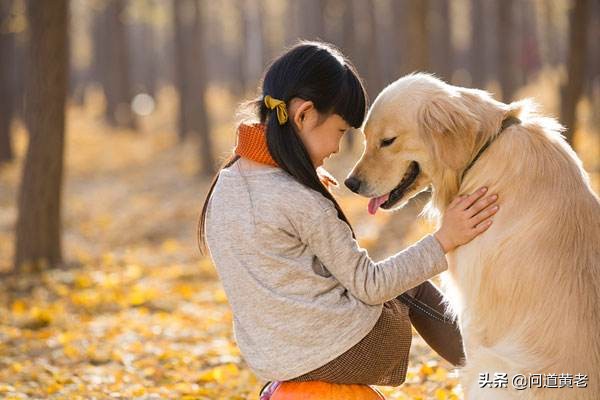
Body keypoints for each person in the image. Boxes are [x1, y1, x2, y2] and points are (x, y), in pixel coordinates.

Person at [197, 41, 499, 395]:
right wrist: (444, 238)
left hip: (270, 358)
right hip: (340, 351)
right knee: (407, 285)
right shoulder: (300, 201)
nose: (338, 147)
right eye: (340, 131)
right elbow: (370, 285)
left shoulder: (227, 183)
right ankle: (497, 374)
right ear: (304, 114)